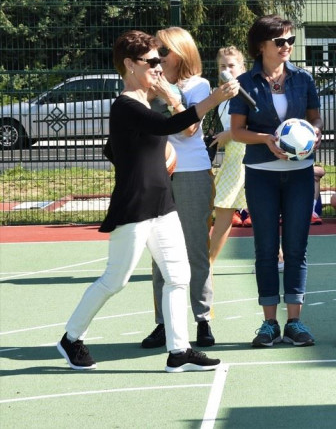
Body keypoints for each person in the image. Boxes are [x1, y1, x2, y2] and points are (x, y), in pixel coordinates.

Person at [58, 30, 238, 372]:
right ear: (130, 64)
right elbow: (173, 124)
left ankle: (179, 351)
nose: (158, 66)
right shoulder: (126, 104)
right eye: (151, 61)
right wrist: (214, 99)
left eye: (160, 59)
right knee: (116, 279)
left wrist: (144, 158)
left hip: (162, 204)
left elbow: (114, 149)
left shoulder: (144, 102)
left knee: (178, 275)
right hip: (136, 205)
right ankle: (71, 338)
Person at [229, 15, 322, 347]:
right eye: (280, 41)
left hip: (299, 174)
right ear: (261, 46)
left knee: (296, 248)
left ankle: (295, 322)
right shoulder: (245, 83)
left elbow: (315, 119)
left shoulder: (303, 79)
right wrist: (267, 139)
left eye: (290, 40)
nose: (287, 46)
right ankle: (269, 323)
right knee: (266, 248)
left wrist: (314, 134)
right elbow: (237, 131)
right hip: (261, 175)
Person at [140, 27, 216, 350]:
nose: (157, 58)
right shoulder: (148, 85)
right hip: (158, 173)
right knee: (160, 252)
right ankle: (163, 323)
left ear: (181, 52)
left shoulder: (198, 86)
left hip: (191, 172)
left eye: (163, 52)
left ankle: (203, 319)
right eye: (154, 53)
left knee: (195, 248)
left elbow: (189, 129)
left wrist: (168, 94)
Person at [210, 46, 247, 264]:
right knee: (224, 209)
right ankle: (279, 257)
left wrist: (229, 134)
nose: (227, 70)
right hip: (233, 157)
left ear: (242, 67)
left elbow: (257, 123)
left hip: (247, 155)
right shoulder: (221, 96)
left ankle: (207, 264)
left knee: (224, 208)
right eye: (222, 66)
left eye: (232, 65)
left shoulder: (248, 91)